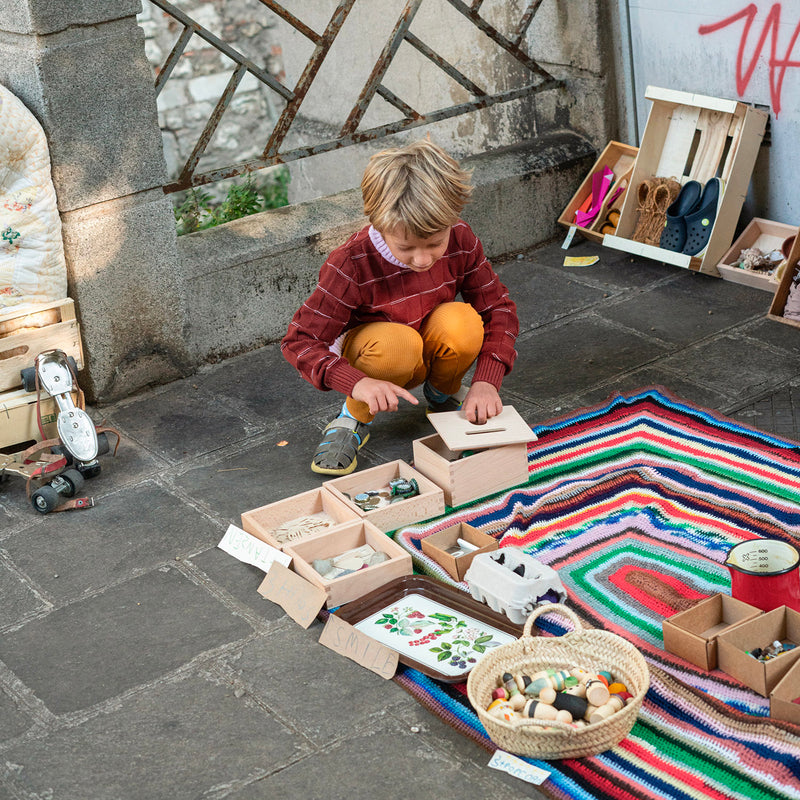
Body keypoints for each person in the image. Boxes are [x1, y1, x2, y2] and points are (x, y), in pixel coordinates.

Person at [281, 139, 519, 475]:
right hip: (381, 357)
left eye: (436, 243)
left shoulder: (462, 238)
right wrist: (356, 383)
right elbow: (300, 341)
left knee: (463, 321)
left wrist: (487, 381)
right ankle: (353, 416)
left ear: (453, 219)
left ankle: (442, 392)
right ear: (378, 223)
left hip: (430, 343)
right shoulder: (350, 263)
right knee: (398, 345)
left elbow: (499, 309)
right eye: (406, 247)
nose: (422, 260)